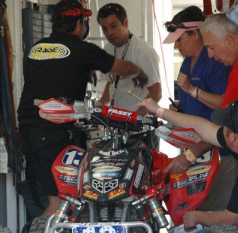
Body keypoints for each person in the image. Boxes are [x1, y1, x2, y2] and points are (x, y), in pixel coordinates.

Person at [17, 0, 149, 216]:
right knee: (59, 202)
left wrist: (82, 70)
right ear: (79, 24)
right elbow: (121, 68)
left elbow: (51, 76)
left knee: (55, 197)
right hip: (52, 134)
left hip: (28, 130)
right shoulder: (82, 49)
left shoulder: (36, 48)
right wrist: (140, 73)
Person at [138, 97, 238, 233]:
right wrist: (159, 111)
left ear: (232, 136)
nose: (219, 129)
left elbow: (231, 220)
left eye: (224, 127)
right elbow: (201, 126)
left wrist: (196, 216)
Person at [163, 6, 236, 211]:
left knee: (218, 203)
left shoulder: (215, 60)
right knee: (194, 202)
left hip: (218, 146)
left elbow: (226, 104)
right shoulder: (187, 62)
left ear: (195, 34)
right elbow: (192, 100)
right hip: (194, 144)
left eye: (179, 39)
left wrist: (193, 91)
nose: (177, 45)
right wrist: (180, 109)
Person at [96, 3, 162, 116]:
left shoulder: (144, 51)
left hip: (134, 123)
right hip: (114, 120)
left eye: (113, 26)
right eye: (105, 28)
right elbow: (110, 82)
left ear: (125, 23)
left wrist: (136, 118)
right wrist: (101, 103)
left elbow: (156, 93)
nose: (109, 33)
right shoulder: (107, 48)